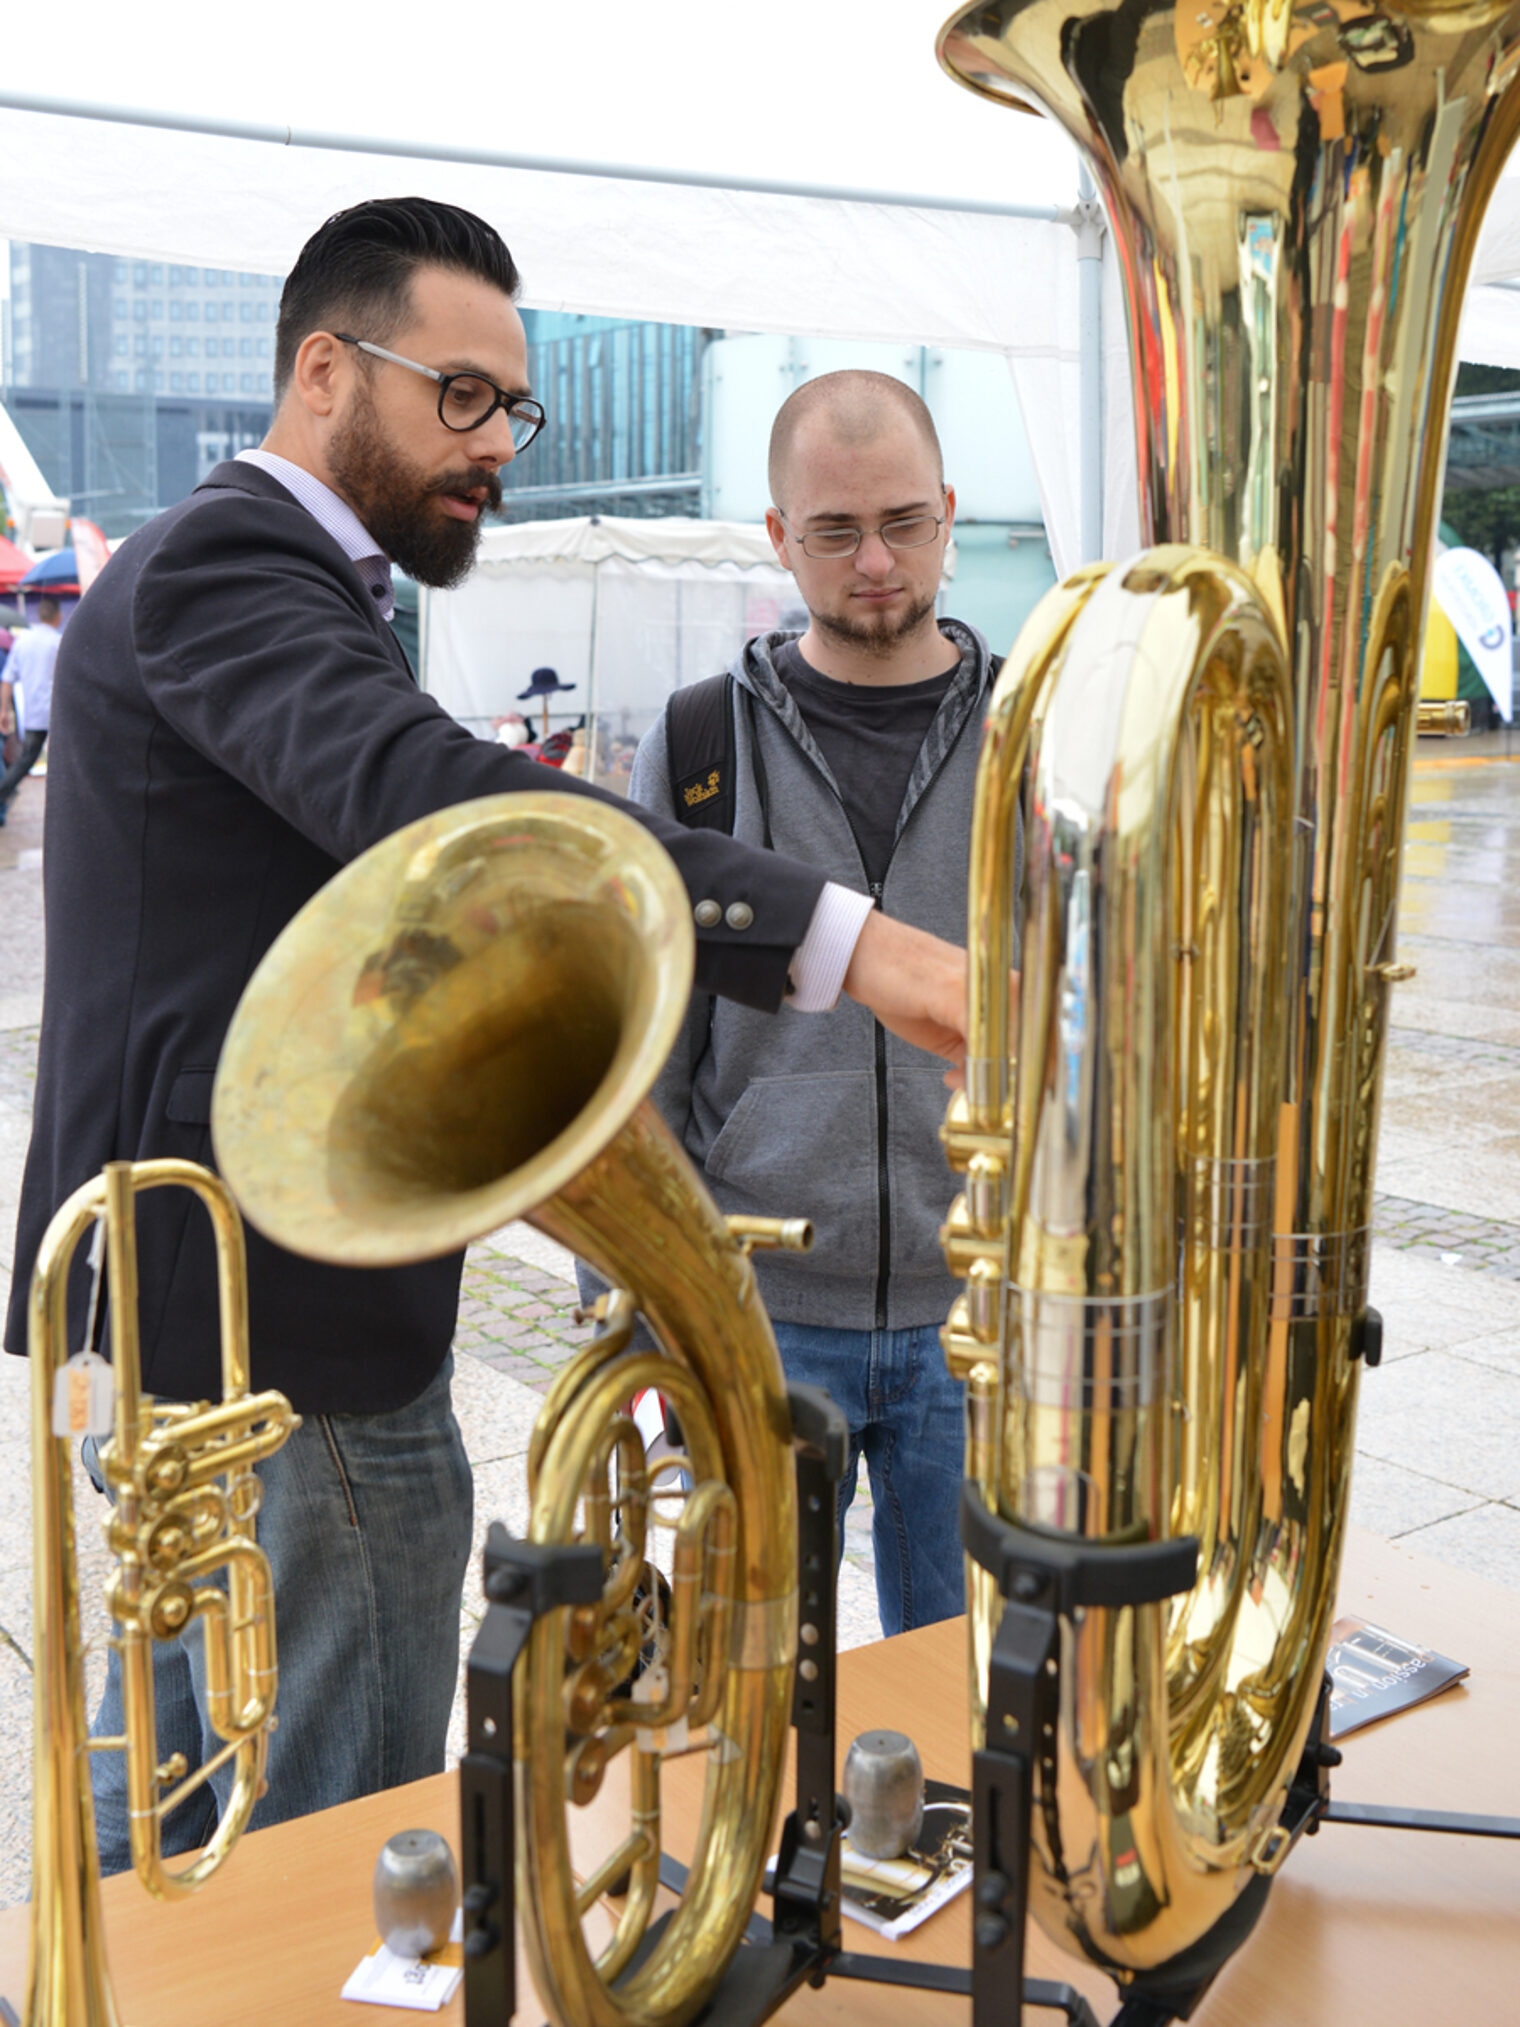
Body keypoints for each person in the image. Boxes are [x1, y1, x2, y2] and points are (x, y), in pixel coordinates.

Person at [3, 200, 969, 1873]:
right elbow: (453, 817)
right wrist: (856, 943)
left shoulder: (242, 572)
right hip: (281, 1332)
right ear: (324, 369)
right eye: (463, 397)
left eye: (510, 411)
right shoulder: (237, 559)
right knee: (327, 1841)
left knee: (161, 1805)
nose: (496, 449)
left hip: (196, 1302)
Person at [605, 371, 1007, 1636]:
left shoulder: (1034, 737)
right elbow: (642, 1046)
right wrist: (642, 1295)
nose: (875, 559)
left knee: (975, 1690)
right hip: (762, 1311)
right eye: (833, 530)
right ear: (778, 536)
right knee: (753, 1693)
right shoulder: (694, 741)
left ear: (949, 511)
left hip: (982, 1306)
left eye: (903, 520)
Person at [0, 594, 63, 824]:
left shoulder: (22, 642)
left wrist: (4, 710)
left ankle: (2, 794)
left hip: (34, 714)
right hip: (58, 714)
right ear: (57, 616)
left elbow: (7, 678)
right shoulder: (59, 641)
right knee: (64, 763)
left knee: (25, 761)